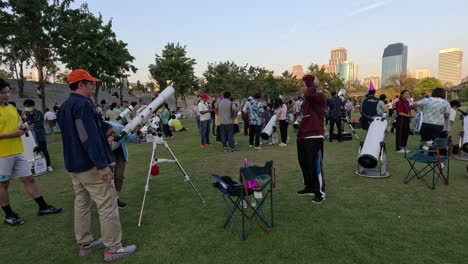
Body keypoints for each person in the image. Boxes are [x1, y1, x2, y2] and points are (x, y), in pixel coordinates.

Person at [57, 69, 136, 261]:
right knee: (107, 204)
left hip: (74, 166)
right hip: (90, 166)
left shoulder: (65, 106)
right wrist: (101, 164)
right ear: (81, 84)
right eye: (90, 83)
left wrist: (104, 135)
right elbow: (87, 137)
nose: (94, 86)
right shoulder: (83, 105)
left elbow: (79, 135)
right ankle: (113, 248)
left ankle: (84, 243)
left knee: (81, 204)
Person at [0, 78, 62, 226]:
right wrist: (13, 134)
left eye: (8, 92)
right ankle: (9, 215)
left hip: (18, 151)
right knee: (3, 185)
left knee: (29, 179)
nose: (6, 95)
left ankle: (43, 207)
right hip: (2, 154)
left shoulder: (11, 108)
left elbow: (19, 123)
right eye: (2, 93)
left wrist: (24, 127)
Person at [296, 74, 327, 204]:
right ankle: (309, 187)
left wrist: (313, 84)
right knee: (304, 163)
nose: (303, 87)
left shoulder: (320, 96)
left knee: (315, 165)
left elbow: (308, 94)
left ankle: (319, 192)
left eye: (304, 84)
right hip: (303, 135)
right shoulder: (308, 99)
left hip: (314, 135)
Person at [103, 121, 140, 209]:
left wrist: (137, 133)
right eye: (110, 135)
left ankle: (116, 199)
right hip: (108, 154)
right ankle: (108, 199)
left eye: (113, 133)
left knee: (119, 176)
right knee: (108, 177)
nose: (113, 136)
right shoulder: (98, 131)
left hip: (120, 154)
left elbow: (130, 139)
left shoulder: (120, 128)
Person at [22, 99, 53, 172]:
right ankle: (34, 166)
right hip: (30, 137)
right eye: (25, 106)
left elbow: (40, 124)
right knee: (32, 151)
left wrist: (32, 126)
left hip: (40, 135)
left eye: (28, 106)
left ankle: (48, 165)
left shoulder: (39, 113)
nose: (26, 108)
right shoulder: (24, 114)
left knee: (44, 150)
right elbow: (24, 124)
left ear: (33, 106)